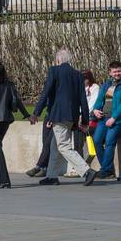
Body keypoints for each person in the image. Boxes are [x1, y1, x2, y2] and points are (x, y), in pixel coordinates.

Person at [31, 48, 96, 186]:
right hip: (71, 116)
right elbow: (83, 99)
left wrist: (36, 113)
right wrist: (85, 120)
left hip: (59, 115)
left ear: (58, 60)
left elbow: (46, 92)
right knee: (55, 145)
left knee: (63, 146)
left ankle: (86, 170)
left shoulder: (54, 70)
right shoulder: (78, 75)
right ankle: (52, 176)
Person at [90, 61, 121, 181]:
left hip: (118, 119)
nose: (117, 73)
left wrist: (114, 117)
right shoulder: (106, 85)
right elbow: (100, 99)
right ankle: (108, 168)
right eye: (114, 71)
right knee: (97, 141)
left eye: (119, 71)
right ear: (110, 72)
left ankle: (105, 170)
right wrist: (95, 110)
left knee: (109, 141)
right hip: (103, 118)